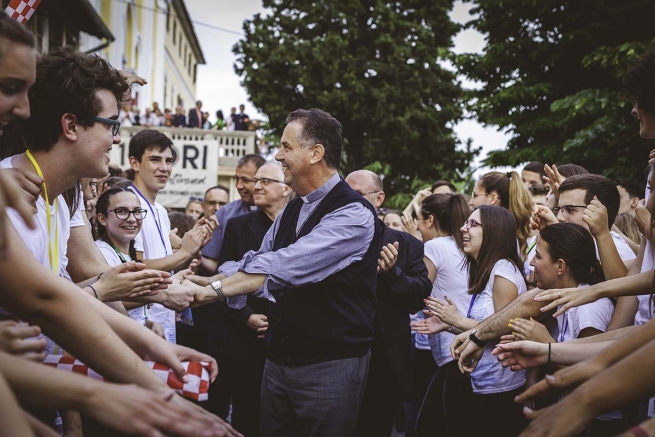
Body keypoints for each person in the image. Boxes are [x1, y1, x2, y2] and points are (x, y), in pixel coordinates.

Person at [185, 108, 382, 436]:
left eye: (286, 147)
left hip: (329, 365)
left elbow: (283, 266)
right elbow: (258, 259)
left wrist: (210, 292)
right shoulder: (294, 207)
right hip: (278, 361)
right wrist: (207, 280)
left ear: (315, 153)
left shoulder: (354, 214)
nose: (278, 155)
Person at [346, 170, 431, 437]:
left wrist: (392, 274)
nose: (349, 201)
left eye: (358, 195)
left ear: (379, 198)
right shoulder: (328, 239)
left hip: (383, 358)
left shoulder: (405, 245)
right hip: (335, 354)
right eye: (345, 194)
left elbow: (419, 295)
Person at [432, 205, 528, 435]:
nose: (464, 228)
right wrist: (451, 324)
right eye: (466, 223)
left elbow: (507, 331)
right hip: (484, 385)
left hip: (502, 388)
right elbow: (485, 327)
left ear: (494, 231)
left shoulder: (503, 270)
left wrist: (458, 320)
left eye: (473, 224)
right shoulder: (488, 270)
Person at [219, 162, 291, 436]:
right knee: (247, 414)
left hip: (290, 337)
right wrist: (245, 315)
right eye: (255, 180)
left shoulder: (305, 228)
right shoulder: (238, 226)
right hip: (245, 337)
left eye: (265, 181)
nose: (256, 186)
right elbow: (224, 276)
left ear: (286, 188)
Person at [127, 129, 216, 343]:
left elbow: (162, 266)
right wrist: (185, 251)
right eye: (155, 159)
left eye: (168, 161)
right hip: (137, 324)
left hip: (164, 320)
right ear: (134, 163)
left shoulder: (159, 210)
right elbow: (134, 268)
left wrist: (186, 261)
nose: (164, 168)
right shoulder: (128, 205)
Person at [408, 192, 471, 437]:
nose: (416, 226)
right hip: (463, 339)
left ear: (431, 220)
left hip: (450, 348)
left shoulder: (434, 247)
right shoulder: (461, 245)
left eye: (419, 220)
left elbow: (417, 294)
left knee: (430, 426)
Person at [200, 154, 265, 274]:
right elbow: (214, 264)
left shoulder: (281, 213)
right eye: (237, 179)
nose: (239, 186)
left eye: (245, 180)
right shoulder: (225, 213)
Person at [469, 171, 533, 260]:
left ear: (492, 198)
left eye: (475, 195)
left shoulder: (499, 244)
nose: (470, 202)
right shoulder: (515, 237)